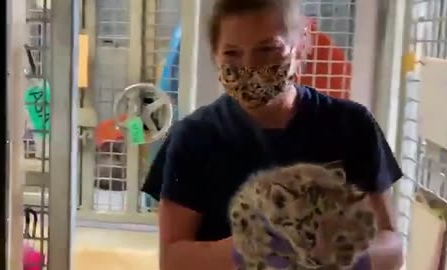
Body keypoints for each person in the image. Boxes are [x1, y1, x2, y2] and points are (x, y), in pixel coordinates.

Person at [141, 0, 404, 269]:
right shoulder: (194, 137)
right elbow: (172, 259)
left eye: (267, 49)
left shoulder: (352, 126)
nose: (250, 67)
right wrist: (250, 250)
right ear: (215, 55)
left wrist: (338, 254)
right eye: (232, 53)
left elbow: (392, 245)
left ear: (302, 44)